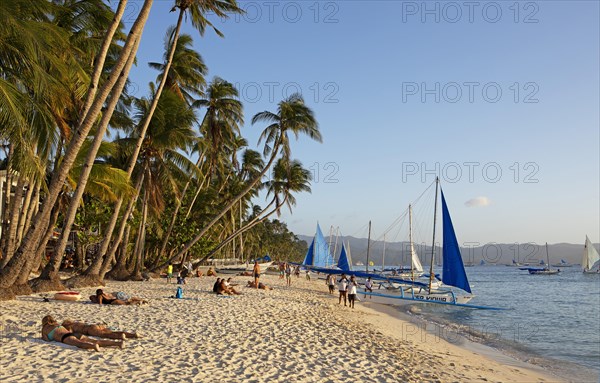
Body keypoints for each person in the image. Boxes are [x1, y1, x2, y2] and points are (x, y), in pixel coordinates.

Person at [42, 315, 123, 351]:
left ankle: (93, 347)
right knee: (95, 341)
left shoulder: (44, 329)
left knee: (80, 344)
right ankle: (117, 343)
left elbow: (47, 340)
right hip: (75, 334)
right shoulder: (57, 324)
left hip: (65, 337)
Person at [62, 319, 139, 339]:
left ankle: (120, 337)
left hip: (89, 330)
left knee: (105, 335)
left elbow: (68, 332)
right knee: (111, 331)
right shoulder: (76, 323)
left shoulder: (70, 326)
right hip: (95, 325)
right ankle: (133, 335)